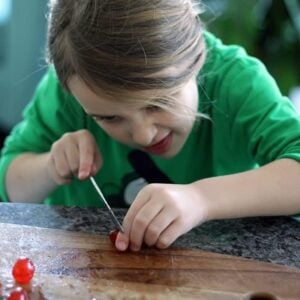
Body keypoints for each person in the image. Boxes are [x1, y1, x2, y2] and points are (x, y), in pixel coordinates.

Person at [0, 0, 300, 253]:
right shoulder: (72, 91)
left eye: (157, 102)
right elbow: (10, 187)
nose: (143, 135)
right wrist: (51, 166)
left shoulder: (238, 83)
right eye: (109, 118)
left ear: (197, 57)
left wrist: (202, 199)